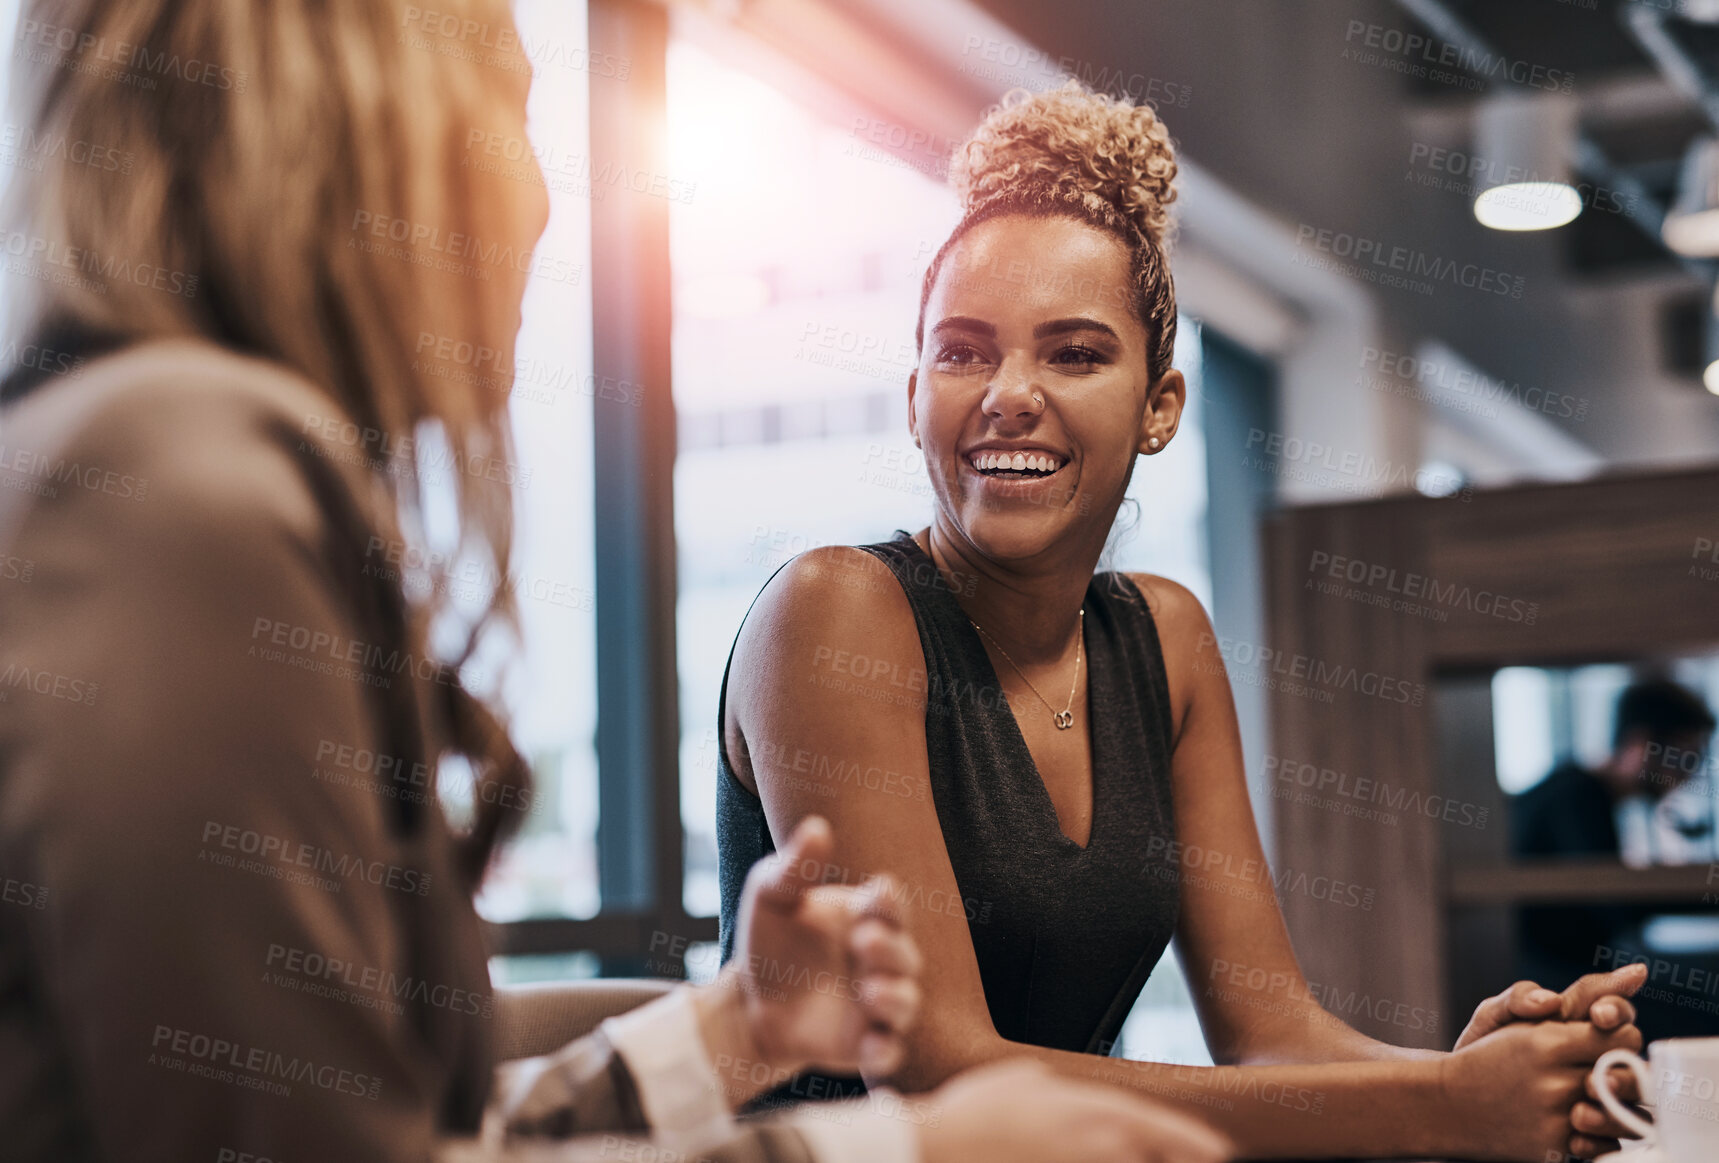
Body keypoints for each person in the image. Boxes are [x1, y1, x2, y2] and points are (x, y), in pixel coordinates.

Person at [0, 2, 1237, 1161]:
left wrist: (738, 1028)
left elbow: (412, 1126)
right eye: (516, 119)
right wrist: (907, 1144)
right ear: (369, 126)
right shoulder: (182, 485)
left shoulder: (170, 460)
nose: (541, 205)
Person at [716, 80, 1648, 1161]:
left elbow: (1270, 1033)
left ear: (1161, 406)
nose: (1007, 392)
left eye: (1073, 352)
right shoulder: (834, 614)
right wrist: (1442, 1107)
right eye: (964, 350)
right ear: (914, 387)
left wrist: (1469, 1074)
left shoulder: (1164, 638)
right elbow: (939, 1073)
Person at [1512, 678, 1718, 1032]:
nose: (1686, 775)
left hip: (1570, 974)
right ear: (1640, 744)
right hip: (1557, 983)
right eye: (1683, 757)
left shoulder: (1580, 791)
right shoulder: (1576, 796)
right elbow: (1616, 903)